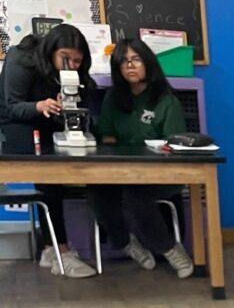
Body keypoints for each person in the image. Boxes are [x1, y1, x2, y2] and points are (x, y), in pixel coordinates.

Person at [87, 39, 194, 278]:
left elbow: (174, 143)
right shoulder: (113, 99)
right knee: (97, 189)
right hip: (121, 173)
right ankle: (125, 243)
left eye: (135, 59)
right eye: (124, 62)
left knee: (136, 195)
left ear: (147, 63)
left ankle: (170, 249)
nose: (130, 66)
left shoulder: (166, 100)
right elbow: (107, 137)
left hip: (161, 175)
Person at [0, 24, 98, 277]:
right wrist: (39, 105)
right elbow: (12, 105)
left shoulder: (76, 71)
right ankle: (60, 250)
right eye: (65, 58)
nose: (71, 65)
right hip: (15, 123)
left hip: (47, 120)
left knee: (69, 161)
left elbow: (84, 93)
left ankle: (50, 247)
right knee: (50, 170)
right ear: (51, 51)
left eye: (78, 61)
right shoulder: (22, 59)